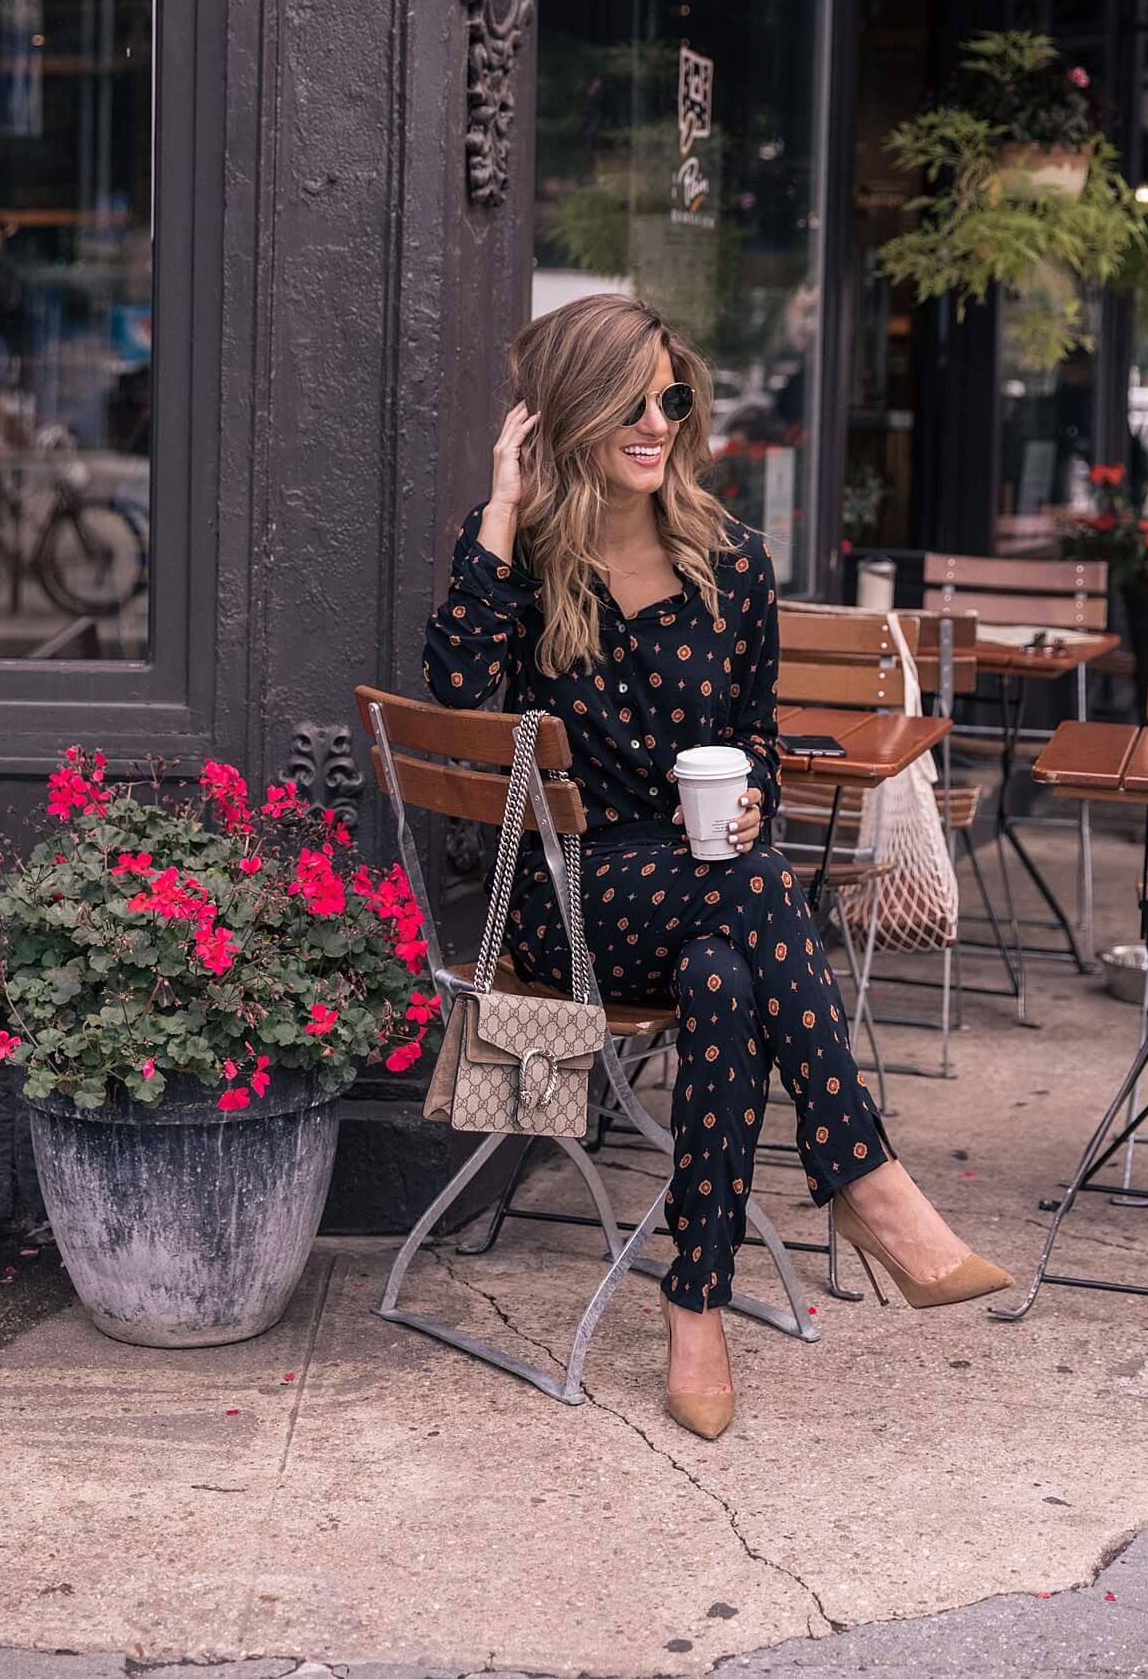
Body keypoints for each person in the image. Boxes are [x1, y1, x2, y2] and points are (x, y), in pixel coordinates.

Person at [423, 293, 1009, 1439]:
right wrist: (500, 505)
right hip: (571, 897)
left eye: (671, 398)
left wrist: (747, 801)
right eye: (629, 401)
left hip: (699, 886)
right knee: (758, 897)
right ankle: (863, 1181)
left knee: (726, 976)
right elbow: (455, 695)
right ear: (570, 412)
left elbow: (752, 738)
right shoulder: (528, 560)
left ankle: (696, 1303)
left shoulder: (731, 560)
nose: (656, 422)